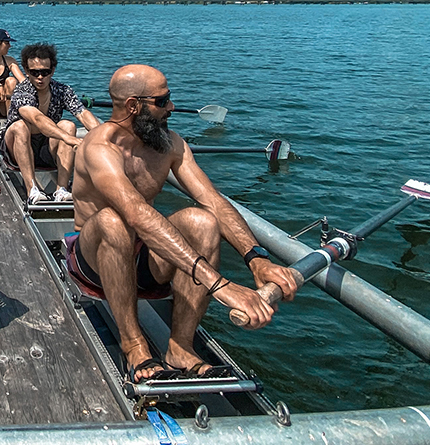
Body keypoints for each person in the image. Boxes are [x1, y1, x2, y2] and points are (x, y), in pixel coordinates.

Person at [69, 64, 299, 383]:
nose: (172, 108)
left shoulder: (171, 144)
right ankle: (134, 346)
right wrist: (220, 285)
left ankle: (180, 347)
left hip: (144, 257)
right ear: (134, 105)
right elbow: (134, 212)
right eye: (163, 101)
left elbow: (214, 201)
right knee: (114, 221)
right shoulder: (100, 147)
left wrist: (257, 260)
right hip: (94, 259)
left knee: (202, 221)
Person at [0, 42, 100, 205]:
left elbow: (82, 113)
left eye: (45, 72)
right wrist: (68, 139)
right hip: (17, 146)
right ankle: (32, 190)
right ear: (26, 71)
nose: (40, 77)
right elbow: (37, 119)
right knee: (19, 126)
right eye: (35, 72)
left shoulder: (63, 90)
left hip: (46, 147)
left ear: (52, 70)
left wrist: (103, 137)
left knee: (69, 125)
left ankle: (62, 189)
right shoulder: (21, 91)